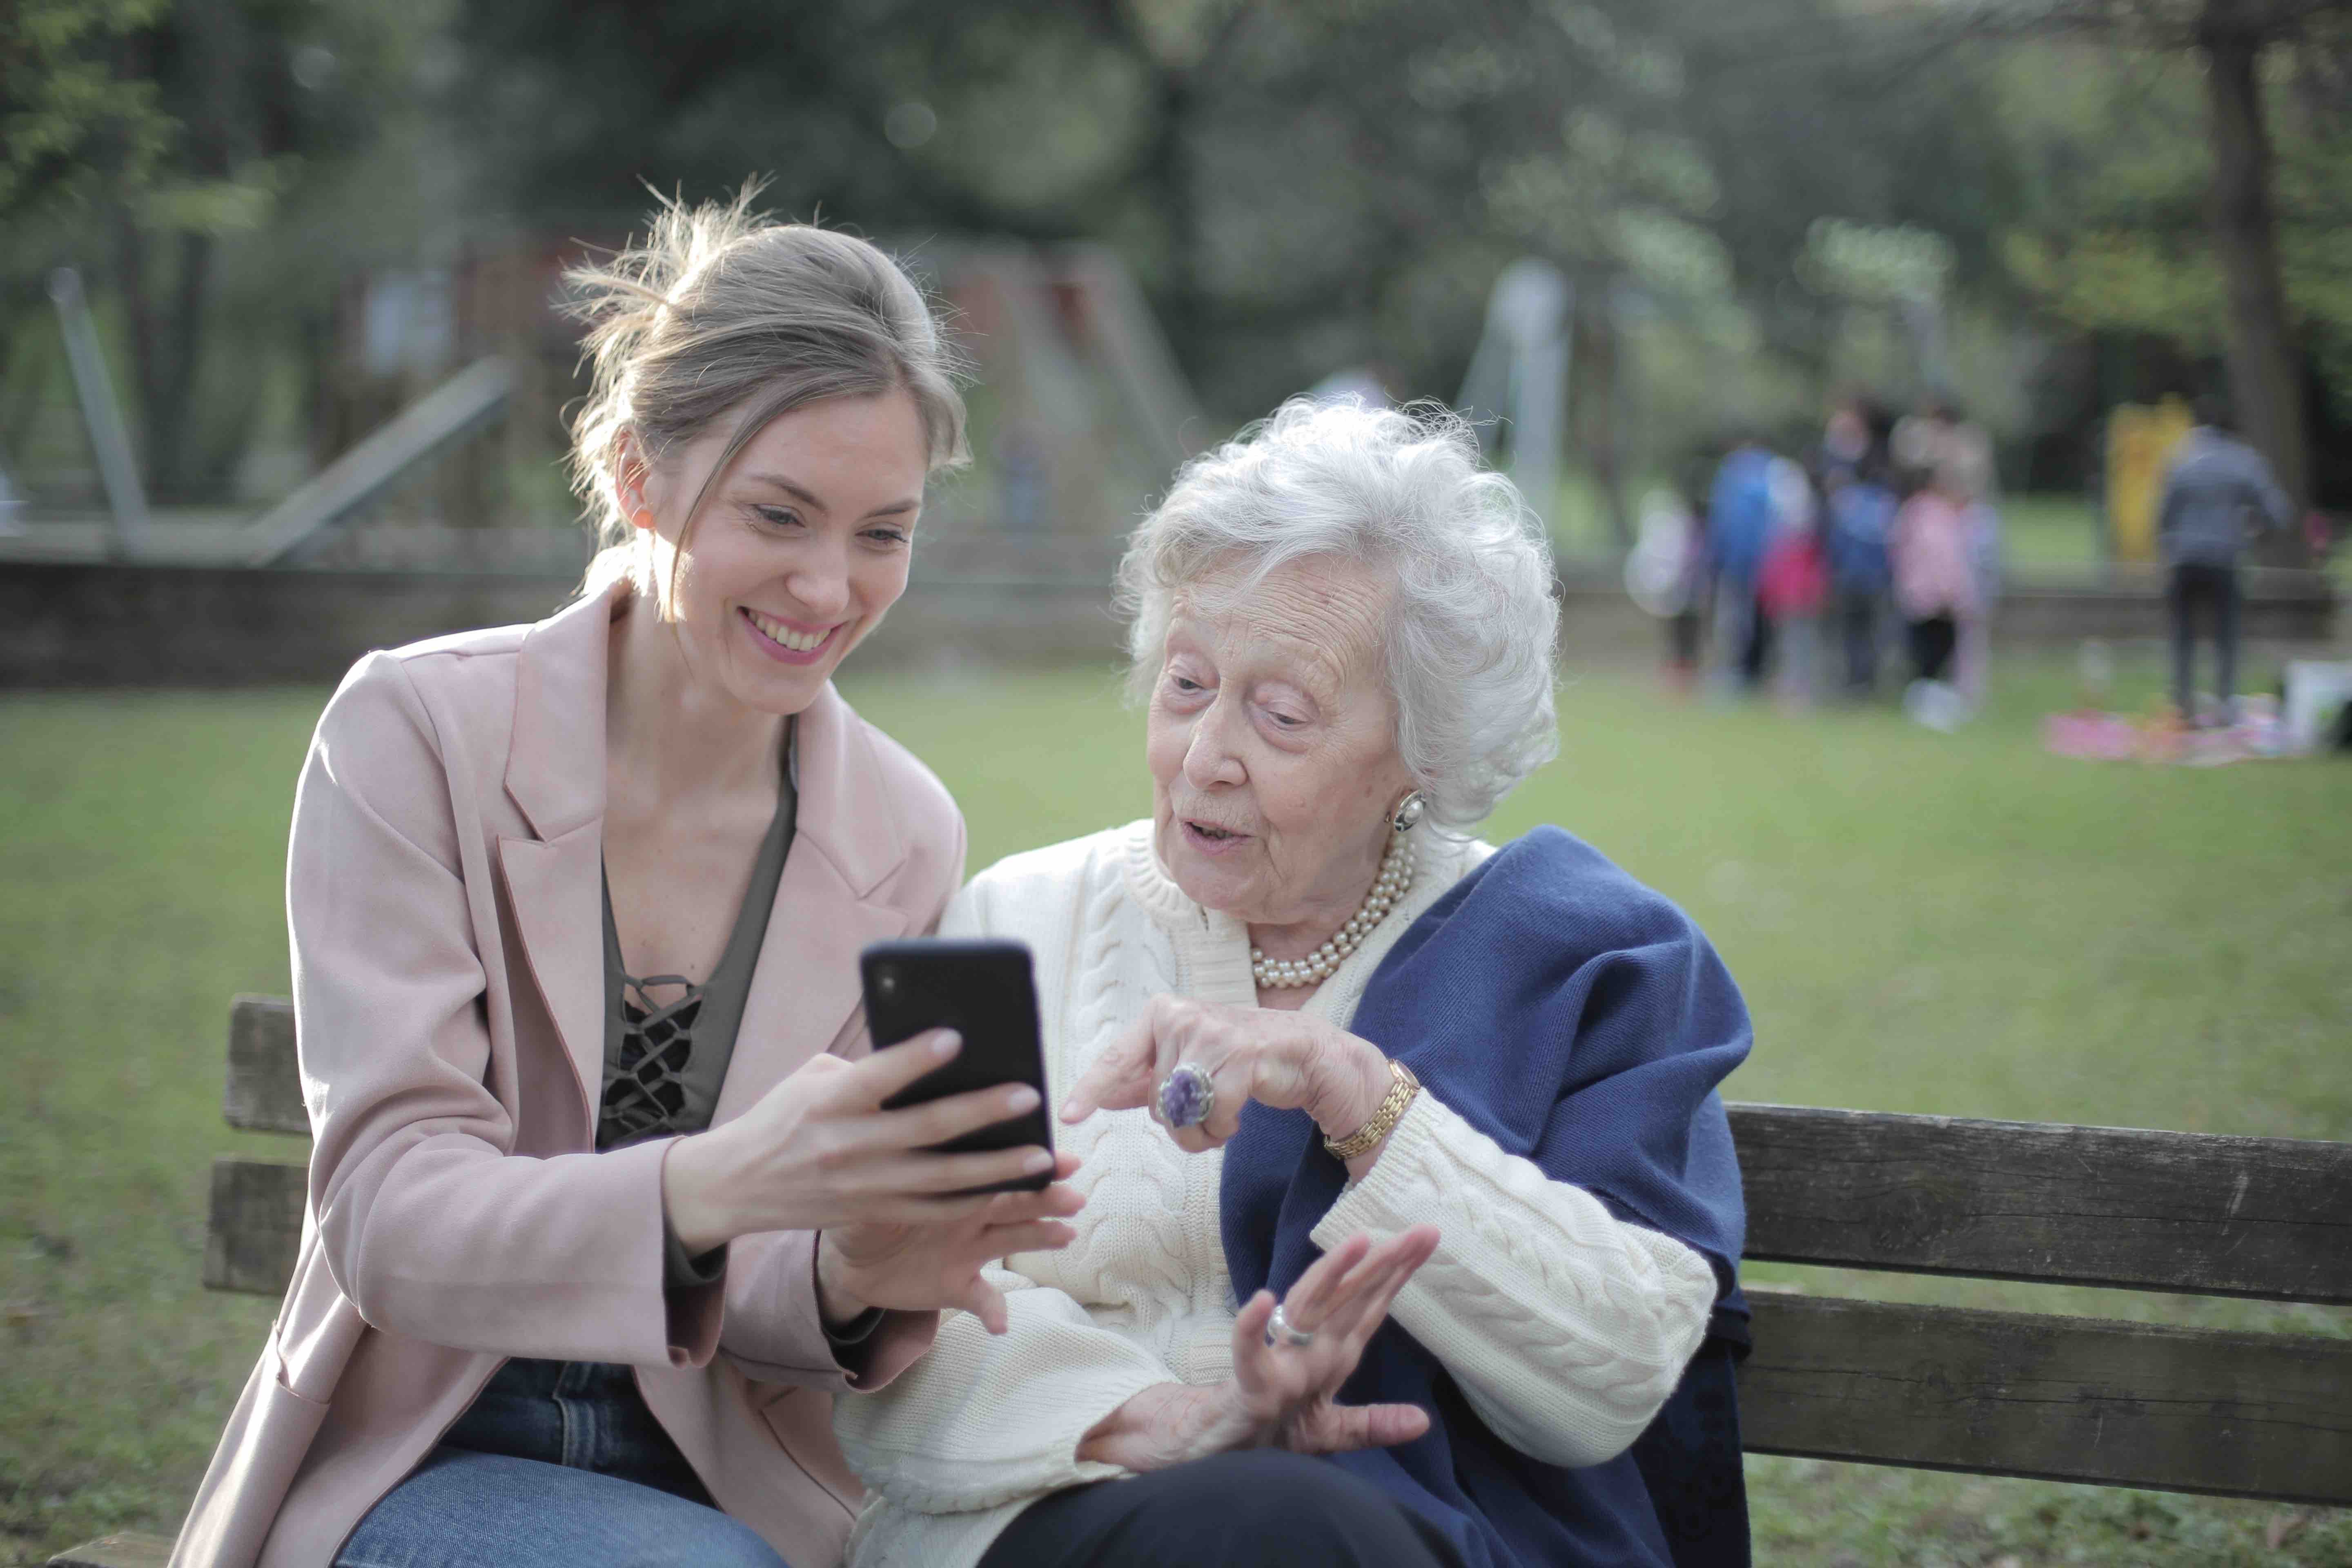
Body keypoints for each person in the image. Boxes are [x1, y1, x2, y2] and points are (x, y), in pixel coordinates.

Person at [172, 194, 1084, 1568]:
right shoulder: (417, 733)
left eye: (884, 533)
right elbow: (388, 1213)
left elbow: (774, 1281)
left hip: (737, 1489)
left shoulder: (902, 827)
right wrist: (710, 1184)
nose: (829, 588)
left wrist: (853, 1270)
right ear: (635, 474)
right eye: (778, 514)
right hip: (426, 1456)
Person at [835, 401, 1755, 1568]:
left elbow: (1618, 1374)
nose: (1205, 754)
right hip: (1040, 1522)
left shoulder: (1581, 960)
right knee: (1267, 1525)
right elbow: (895, 1310)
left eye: (1280, 714)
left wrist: (1362, 1098)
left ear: (1426, 751)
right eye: (1185, 685)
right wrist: (1162, 1421)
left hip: (1414, 1541)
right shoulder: (1015, 923)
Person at [2156, 393, 2294, 724]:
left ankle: (2182, 702)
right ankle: (2224, 703)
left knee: (2183, 633)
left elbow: (2163, 514)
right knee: (2226, 635)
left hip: (2184, 558)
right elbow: (2278, 513)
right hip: (2224, 558)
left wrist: (2169, 544)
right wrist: (2256, 534)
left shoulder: (2180, 457)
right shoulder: (2243, 461)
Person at [1891, 457, 1983, 724]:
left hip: (1922, 596)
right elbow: (1942, 559)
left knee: (1929, 653)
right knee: (1933, 654)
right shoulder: (1933, 516)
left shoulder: (1913, 513)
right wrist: (1950, 593)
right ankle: (1929, 706)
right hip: (1935, 599)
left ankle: (1930, 702)